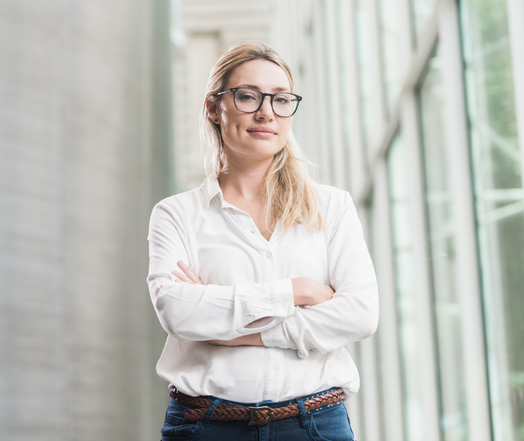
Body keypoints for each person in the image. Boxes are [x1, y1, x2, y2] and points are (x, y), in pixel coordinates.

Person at [146, 40, 378, 441]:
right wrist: (297, 291)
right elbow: (179, 314)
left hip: (315, 424)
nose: (266, 112)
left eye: (281, 99)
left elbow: (359, 314)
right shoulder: (176, 214)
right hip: (205, 427)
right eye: (248, 96)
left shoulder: (332, 206)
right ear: (213, 108)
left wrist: (234, 327)